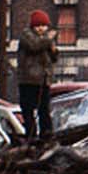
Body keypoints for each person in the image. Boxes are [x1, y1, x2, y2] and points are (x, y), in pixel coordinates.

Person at [17, 10, 59, 141]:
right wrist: (49, 39)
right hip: (28, 81)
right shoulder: (26, 35)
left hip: (43, 80)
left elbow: (53, 58)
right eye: (38, 25)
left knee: (44, 110)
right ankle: (31, 136)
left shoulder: (46, 40)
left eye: (43, 25)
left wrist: (54, 50)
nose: (41, 28)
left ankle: (46, 135)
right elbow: (34, 45)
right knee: (28, 110)